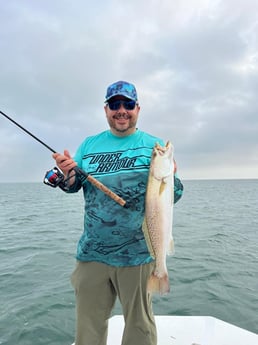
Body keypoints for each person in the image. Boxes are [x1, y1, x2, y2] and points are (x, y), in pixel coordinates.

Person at [52, 81, 183, 345]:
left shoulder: (152, 145)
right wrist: (67, 175)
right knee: (88, 327)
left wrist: (172, 178)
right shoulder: (89, 145)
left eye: (128, 104)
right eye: (114, 105)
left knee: (139, 328)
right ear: (106, 109)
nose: (121, 110)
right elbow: (73, 186)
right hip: (92, 253)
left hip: (137, 255)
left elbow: (174, 195)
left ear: (137, 109)